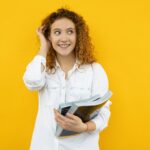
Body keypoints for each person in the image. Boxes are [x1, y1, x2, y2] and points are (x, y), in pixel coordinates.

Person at [23, 8, 112, 150]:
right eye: (57, 32)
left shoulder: (95, 70)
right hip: (44, 145)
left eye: (70, 31)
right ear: (49, 36)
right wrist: (43, 47)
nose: (64, 38)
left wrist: (84, 127)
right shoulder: (43, 69)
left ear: (78, 35)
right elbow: (32, 82)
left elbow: (103, 113)